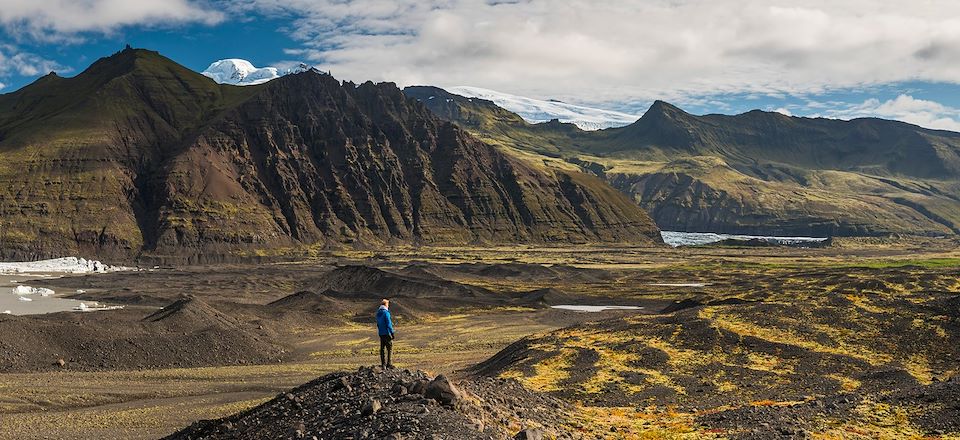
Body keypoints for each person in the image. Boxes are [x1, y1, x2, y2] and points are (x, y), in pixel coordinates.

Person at [376, 298, 395, 368]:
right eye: (388, 304)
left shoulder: (378, 313)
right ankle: (389, 363)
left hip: (381, 333)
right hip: (387, 333)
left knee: (382, 349)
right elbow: (388, 324)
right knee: (390, 348)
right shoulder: (386, 313)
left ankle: (383, 364)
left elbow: (378, 324)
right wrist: (392, 333)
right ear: (386, 305)